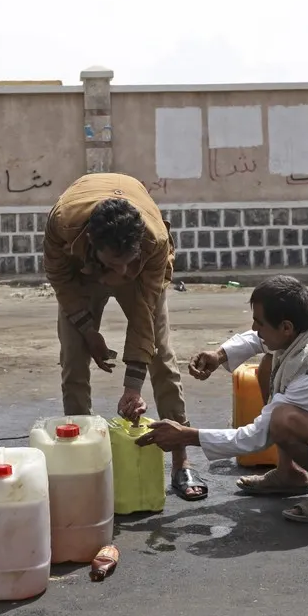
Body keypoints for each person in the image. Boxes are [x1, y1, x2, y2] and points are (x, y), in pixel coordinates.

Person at [135, 275, 308, 522]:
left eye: (259, 322)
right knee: (268, 363)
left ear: (286, 327)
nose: (254, 327)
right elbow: (260, 340)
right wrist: (220, 355)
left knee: (282, 419)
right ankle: (289, 474)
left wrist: (186, 436)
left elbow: (255, 436)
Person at [43, 172, 208, 501]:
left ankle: (181, 460)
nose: (119, 275)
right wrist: (88, 331)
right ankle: (81, 462)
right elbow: (60, 278)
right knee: (74, 358)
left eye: (126, 262)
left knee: (160, 356)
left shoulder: (154, 241)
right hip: (81, 274)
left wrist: (132, 388)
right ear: (92, 243)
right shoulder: (63, 224)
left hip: (144, 272)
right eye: (112, 264)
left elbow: (144, 316)